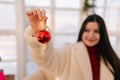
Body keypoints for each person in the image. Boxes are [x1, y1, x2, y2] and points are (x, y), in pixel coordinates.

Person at [24, 8, 120, 80]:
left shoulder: (110, 58)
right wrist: (39, 33)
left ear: (102, 34)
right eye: (87, 30)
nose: (91, 35)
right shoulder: (69, 52)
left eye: (96, 31)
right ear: (82, 31)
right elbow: (45, 59)